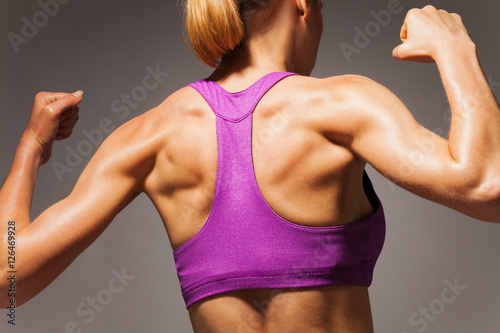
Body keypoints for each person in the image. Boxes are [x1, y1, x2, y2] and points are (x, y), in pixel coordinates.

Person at [1, 0, 499, 332]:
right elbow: (487, 185)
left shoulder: (149, 134)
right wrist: (455, 48)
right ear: (302, 4)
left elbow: (7, 277)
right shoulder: (340, 102)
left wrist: (29, 147)